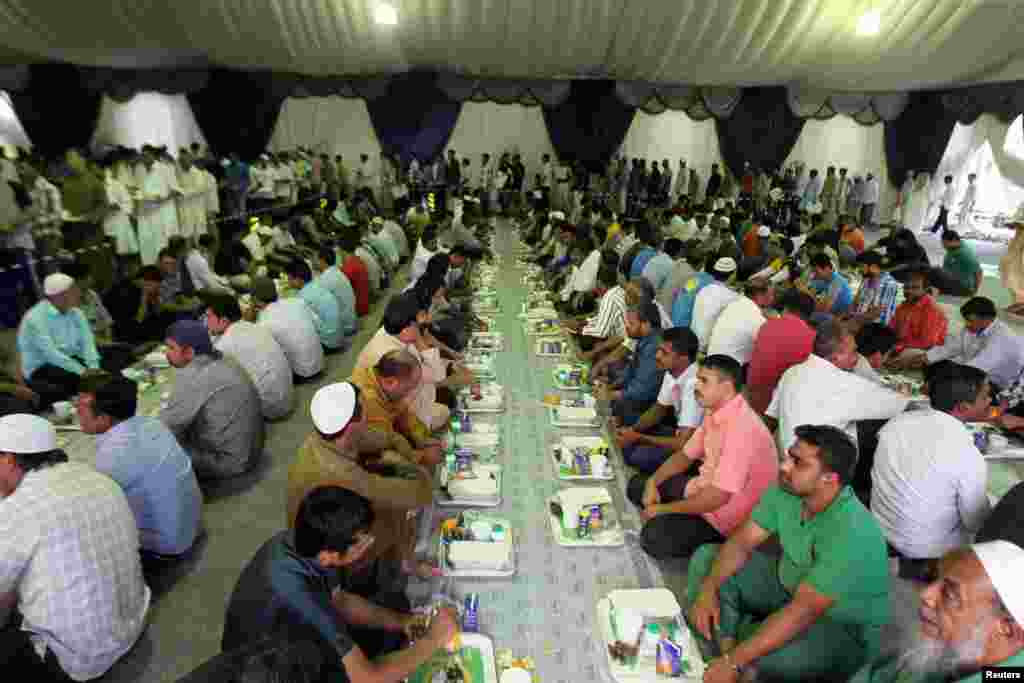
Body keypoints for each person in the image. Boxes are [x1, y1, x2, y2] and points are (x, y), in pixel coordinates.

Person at [686, 425, 889, 682]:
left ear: (830, 478)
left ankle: (734, 644)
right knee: (707, 560)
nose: (784, 466)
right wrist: (708, 590)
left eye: (798, 463)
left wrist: (735, 660)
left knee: (759, 665)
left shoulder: (853, 531)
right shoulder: (788, 489)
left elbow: (803, 611)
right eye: (788, 456)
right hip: (789, 587)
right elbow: (741, 543)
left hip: (840, 627)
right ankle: (730, 649)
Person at [222, 486, 458, 683]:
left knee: (393, 607)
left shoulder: (305, 542)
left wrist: (403, 622)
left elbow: (341, 601)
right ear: (328, 556)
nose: (369, 542)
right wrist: (433, 641)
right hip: (266, 671)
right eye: (360, 543)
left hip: (287, 643)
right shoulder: (299, 595)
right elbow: (366, 677)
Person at [0, 413, 150, 681]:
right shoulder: (94, 475)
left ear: (9, 459)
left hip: (79, 657)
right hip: (130, 622)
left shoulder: (16, 510)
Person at [626, 355, 777, 560]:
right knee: (637, 485)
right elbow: (685, 457)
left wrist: (663, 509)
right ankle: (670, 511)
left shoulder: (743, 429)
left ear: (726, 387)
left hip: (724, 516)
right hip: (703, 490)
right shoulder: (714, 410)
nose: (696, 386)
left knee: (653, 537)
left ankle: (718, 544)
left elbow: (718, 498)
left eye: (704, 381)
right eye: (698, 379)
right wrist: (653, 482)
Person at [288, 382, 435, 592]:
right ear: (351, 426)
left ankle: (402, 560)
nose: (367, 415)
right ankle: (400, 568)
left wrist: (407, 452)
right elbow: (421, 493)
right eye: (363, 411)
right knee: (398, 510)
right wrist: (409, 463)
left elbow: (383, 437)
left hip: (324, 522)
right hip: (328, 547)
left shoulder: (324, 438)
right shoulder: (340, 473)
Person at [871, 363, 991, 570]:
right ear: (963, 407)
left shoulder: (896, 423)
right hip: (926, 554)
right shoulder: (965, 453)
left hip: (879, 532)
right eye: (985, 397)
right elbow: (976, 522)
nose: (990, 401)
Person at [852, 541, 1024, 683]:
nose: (925, 594)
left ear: (1006, 628)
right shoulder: (943, 645)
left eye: (949, 594)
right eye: (936, 579)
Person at [77, 374, 203, 562]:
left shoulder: (114, 455)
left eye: (80, 409)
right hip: (192, 523)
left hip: (167, 543)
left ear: (103, 419)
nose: (76, 412)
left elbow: (90, 509)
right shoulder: (152, 424)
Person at [766, 320, 910, 452]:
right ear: (836, 356)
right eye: (854, 351)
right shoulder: (845, 382)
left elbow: (772, 416)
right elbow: (899, 404)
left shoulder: (792, 371)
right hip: (818, 467)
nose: (858, 357)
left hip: (787, 456)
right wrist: (904, 392)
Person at [161, 320, 265, 480]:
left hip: (231, 461)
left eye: (171, 348)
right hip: (253, 448)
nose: (166, 353)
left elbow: (167, 428)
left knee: (162, 447)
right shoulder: (223, 358)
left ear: (189, 352)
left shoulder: (193, 375)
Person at [615, 327, 703, 474]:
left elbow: (684, 443)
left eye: (664, 353)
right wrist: (632, 430)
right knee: (626, 413)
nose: (657, 356)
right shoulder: (672, 370)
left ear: (683, 359)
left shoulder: (694, 384)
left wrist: (639, 437)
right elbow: (658, 409)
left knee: (637, 456)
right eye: (658, 350)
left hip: (695, 450)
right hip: (678, 432)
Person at [17, 272, 102, 405]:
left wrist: (93, 366)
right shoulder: (35, 318)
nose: (80, 293)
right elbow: (51, 354)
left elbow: (87, 341)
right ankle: (85, 406)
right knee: (76, 379)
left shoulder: (76, 312)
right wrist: (83, 371)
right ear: (59, 296)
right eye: (75, 290)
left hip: (70, 359)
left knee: (111, 359)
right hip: (42, 367)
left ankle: (96, 400)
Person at [905, 297, 1024, 391]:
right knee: (935, 365)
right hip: (974, 373)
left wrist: (939, 382)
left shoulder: (1002, 337)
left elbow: (976, 368)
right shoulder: (973, 327)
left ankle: (938, 393)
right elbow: (950, 348)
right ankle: (934, 389)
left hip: (996, 384)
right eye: (966, 320)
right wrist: (922, 358)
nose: (967, 324)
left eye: (971, 320)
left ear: (987, 319)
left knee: (949, 380)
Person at [349, 350, 444, 468]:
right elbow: (384, 445)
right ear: (390, 382)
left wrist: (423, 439)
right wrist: (421, 457)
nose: (409, 393)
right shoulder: (369, 399)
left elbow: (403, 413)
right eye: (408, 388)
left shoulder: (379, 377)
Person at [206, 294, 294, 420]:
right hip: (287, 396)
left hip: (272, 408)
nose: (206, 322)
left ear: (224, 320)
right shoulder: (251, 325)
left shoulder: (224, 345)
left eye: (209, 317)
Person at [596, 300, 666, 427]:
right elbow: (629, 373)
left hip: (645, 406)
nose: (626, 327)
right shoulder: (644, 340)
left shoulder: (655, 347)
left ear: (646, 324)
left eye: (631, 323)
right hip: (634, 398)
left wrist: (610, 395)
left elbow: (642, 390)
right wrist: (610, 387)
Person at [746, 289, 816, 415]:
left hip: (752, 396)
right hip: (774, 408)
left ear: (786, 308)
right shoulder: (811, 337)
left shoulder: (766, 325)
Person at [247, 275, 324, 382]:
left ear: (254, 299)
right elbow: (318, 325)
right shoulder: (296, 302)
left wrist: (249, 320)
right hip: (320, 363)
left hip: (302, 373)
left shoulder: (263, 324)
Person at [706, 279, 774, 365]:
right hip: (728, 369)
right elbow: (768, 348)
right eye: (771, 294)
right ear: (760, 296)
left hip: (711, 359)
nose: (773, 298)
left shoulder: (734, 305)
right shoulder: (757, 319)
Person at [887, 268, 949, 360]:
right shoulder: (903, 306)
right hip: (902, 346)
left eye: (915, 288)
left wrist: (898, 346)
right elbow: (891, 329)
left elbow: (927, 343)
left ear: (925, 289)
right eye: (906, 287)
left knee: (907, 354)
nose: (909, 291)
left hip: (926, 351)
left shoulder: (932, 309)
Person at [286, 259, 344, 353]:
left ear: (298, 280)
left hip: (329, 344)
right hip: (339, 336)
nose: (288, 282)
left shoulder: (302, 298)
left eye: (289, 279)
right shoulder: (318, 285)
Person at [691, 257, 741, 351]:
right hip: (708, 347)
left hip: (694, 341)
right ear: (733, 275)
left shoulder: (704, 289)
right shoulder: (733, 298)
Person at [850, 251, 901, 326]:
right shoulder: (867, 279)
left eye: (862, 266)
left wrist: (853, 321)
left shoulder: (888, 283)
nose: (859, 269)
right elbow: (855, 301)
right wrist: (848, 314)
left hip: (875, 328)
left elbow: (876, 313)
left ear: (873, 267)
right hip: (859, 321)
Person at [803, 252, 853, 319]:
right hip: (830, 313)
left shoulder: (837, 282)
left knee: (809, 315)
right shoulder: (822, 278)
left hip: (839, 317)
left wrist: (807, 292)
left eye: (816, 271)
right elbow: (809, 294)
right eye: (813, 271)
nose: (814, 274)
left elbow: (824, 309)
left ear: (826, 268)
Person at [935, 230, 983, 297]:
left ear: (954, 240)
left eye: (945, 243)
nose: (943, 246)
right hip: (951, 281)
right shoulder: (952, 248)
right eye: (943, 243)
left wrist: (975, 291)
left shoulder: (966, 254)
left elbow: (979, 272)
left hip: (963, 287)